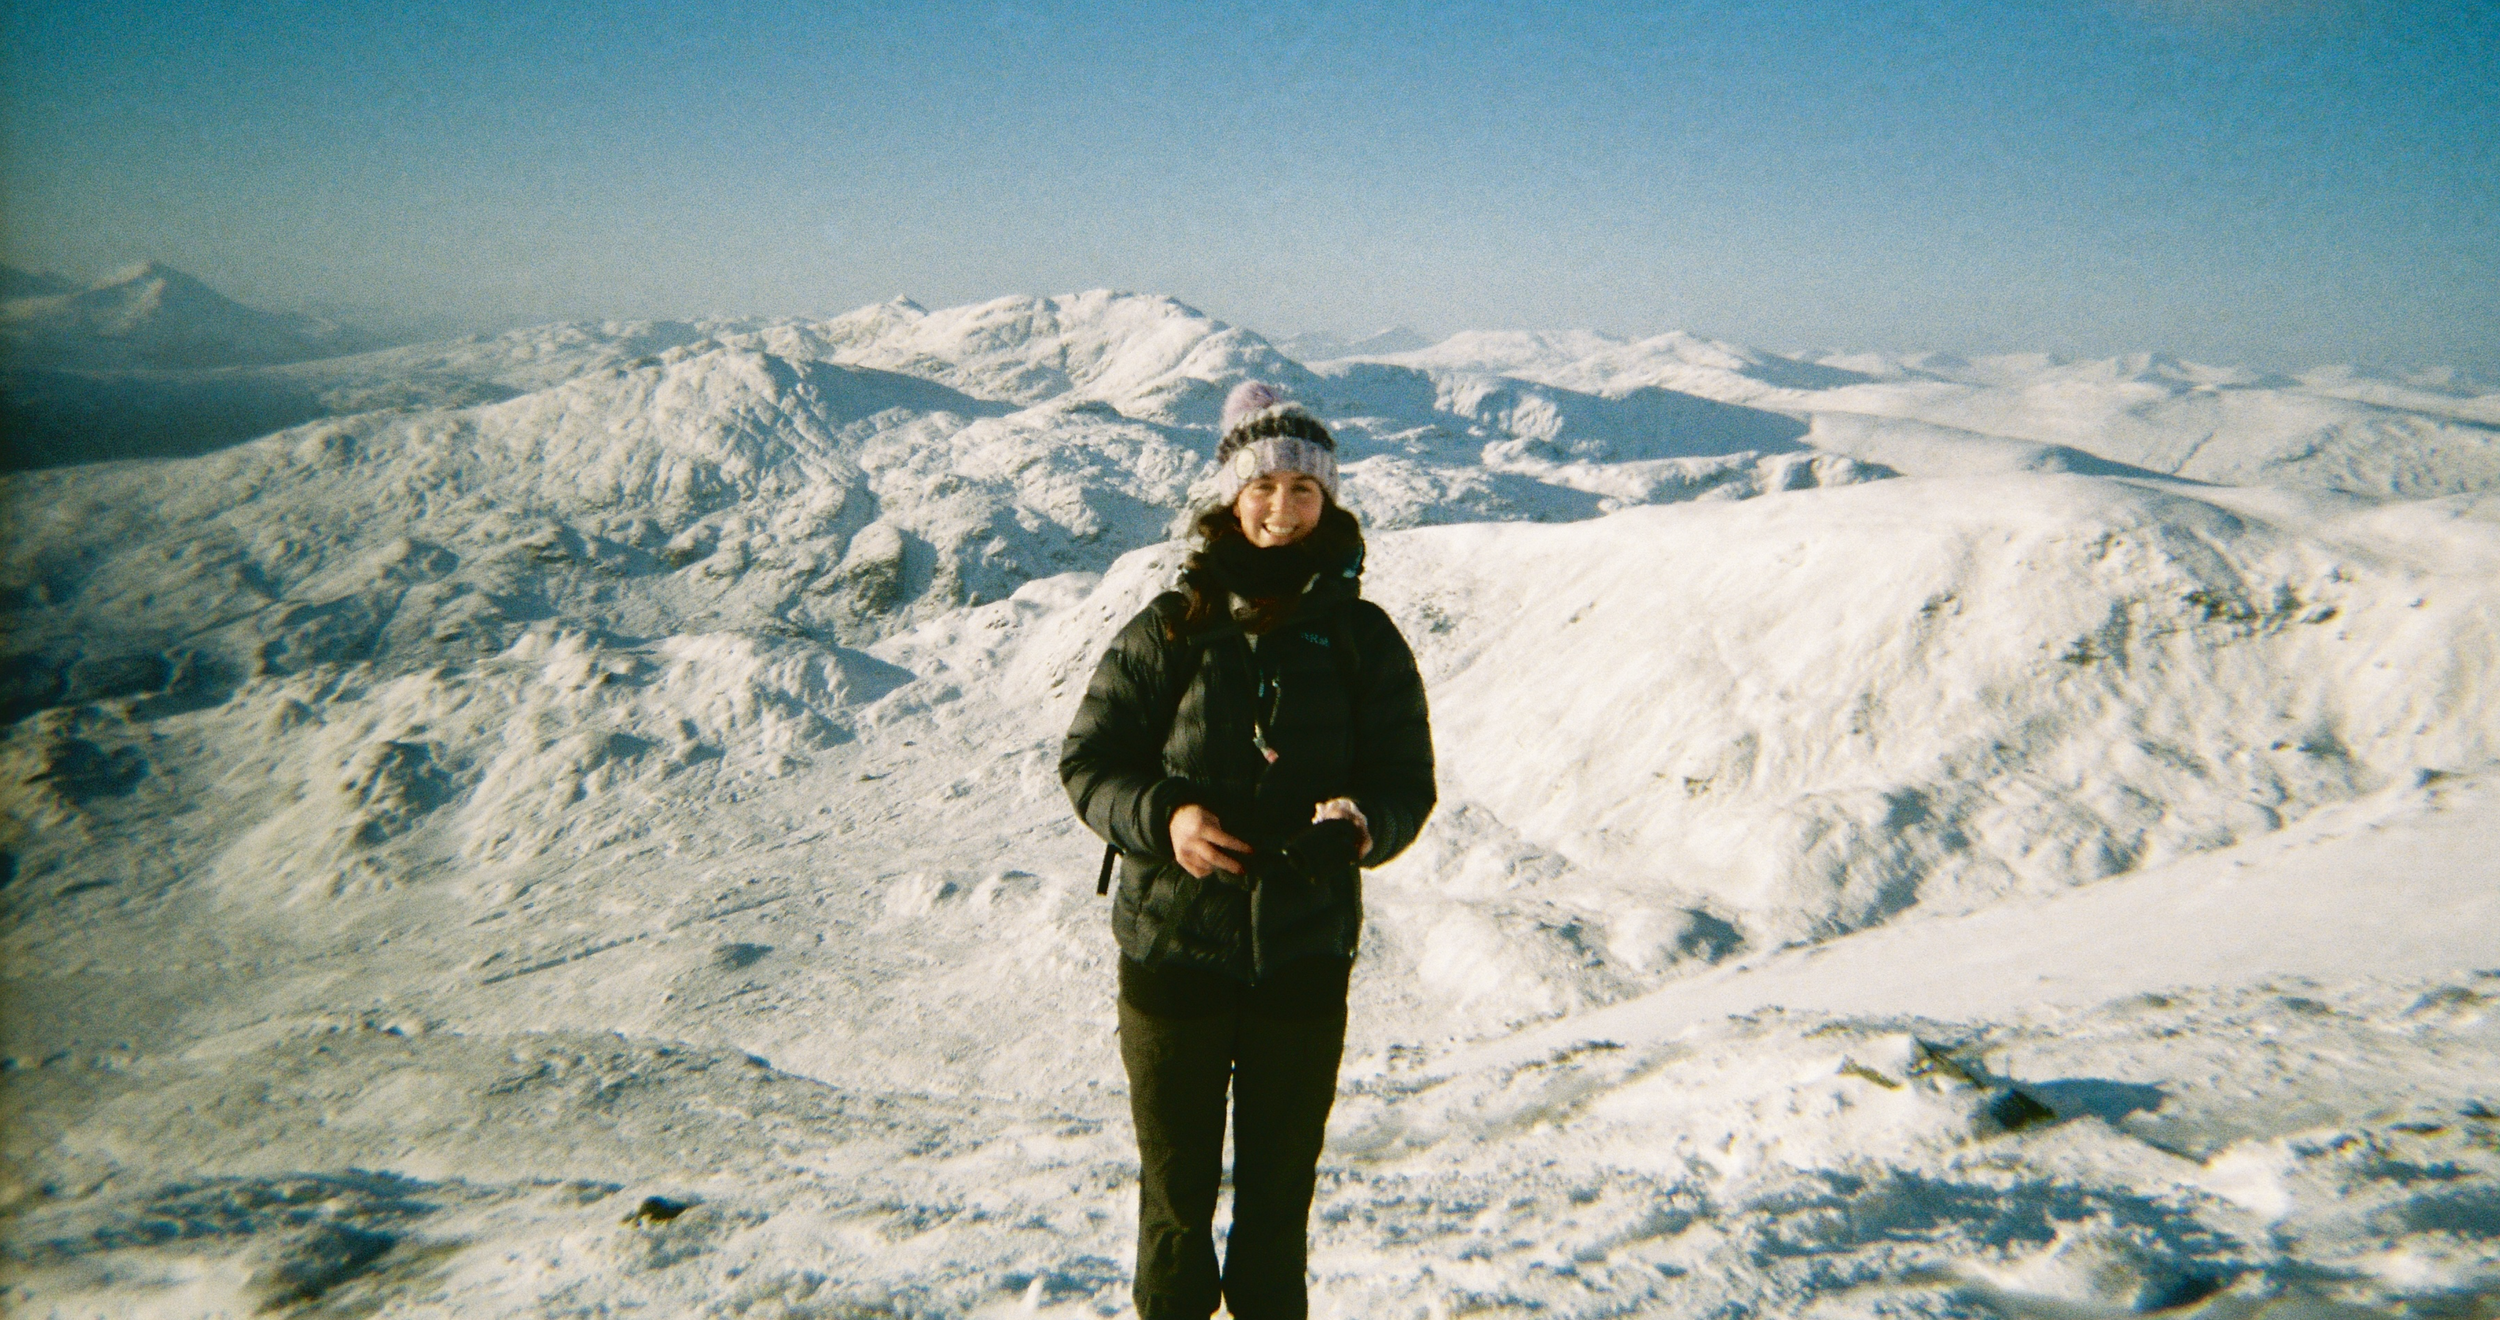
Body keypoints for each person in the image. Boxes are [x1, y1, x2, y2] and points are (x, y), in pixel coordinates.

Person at [1060, 380, 1436, 1320]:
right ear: (1232, 497)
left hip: (1303, 953)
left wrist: (1362, 826)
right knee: (1177, 1196)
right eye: (1263, 487)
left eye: (1303, 491)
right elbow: (1090, 762)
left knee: (1279, 1197)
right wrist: (1168, 819)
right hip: (1172, 950)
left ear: (1329, 504)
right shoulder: (1173, 627)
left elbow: (1405, 779)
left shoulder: (1362, 636)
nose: (1281, 507)